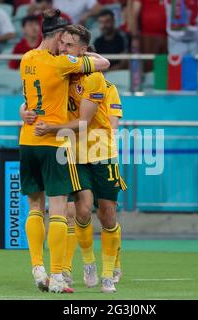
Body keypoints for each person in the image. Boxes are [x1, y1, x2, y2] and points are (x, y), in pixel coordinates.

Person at [19, 9, 110, 294]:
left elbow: (27, 101)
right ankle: (57, 275)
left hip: (27, 139)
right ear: (58, 37)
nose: (65, 46)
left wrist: (24, 112)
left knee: (35, 206)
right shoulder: (61, 64)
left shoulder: (26, 59)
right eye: (64, 40)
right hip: (53, 143)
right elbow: (104, 62)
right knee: (59, 209)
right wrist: (82, 55)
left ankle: (37, 267)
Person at [34, 24, 127, 293]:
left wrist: (52, 128)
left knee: (108, 214)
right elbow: (36, 96)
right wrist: (25, 111)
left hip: (101, 152)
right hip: (73, 152)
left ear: (84, 54)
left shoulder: (98, 80)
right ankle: (89, 264)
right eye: (62, 44)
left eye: (70, 46)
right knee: (82, 211)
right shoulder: (61, 74)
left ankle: (110, 270)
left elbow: (93, 122)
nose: (63, 49)